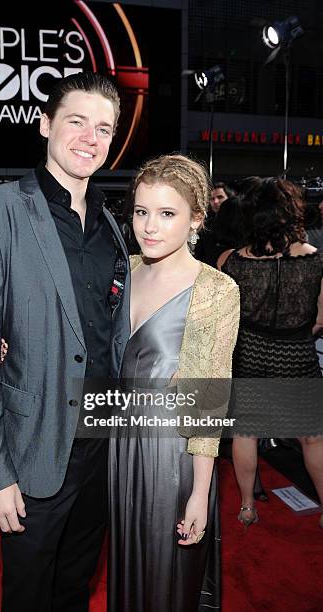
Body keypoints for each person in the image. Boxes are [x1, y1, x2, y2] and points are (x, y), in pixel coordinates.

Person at [0, 72, 130, 612]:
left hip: (103, 446)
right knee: (28, 597)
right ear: (46, 123)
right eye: (77, 121)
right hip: (34, 455)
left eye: (104, 128)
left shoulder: (112, 225)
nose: (90, 139)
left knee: (74, 589)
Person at [109, 154, 240, 611]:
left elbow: (210, 398)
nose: (150, 226)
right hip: (119, 447)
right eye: (142, 212)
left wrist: (200, 493)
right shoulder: (122, 271)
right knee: (128, 570)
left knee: (167, 580)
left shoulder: (216, 290)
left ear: (196, 219)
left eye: (167, 214)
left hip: (174, 455)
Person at [217, 178, 323, 529]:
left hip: (251, 354)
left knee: (246, 433)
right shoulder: (314, 260)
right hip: (298, 354)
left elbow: (223, 320)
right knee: (313, 437)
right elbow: (320, 319)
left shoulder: (230, 261)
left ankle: (247, 506)